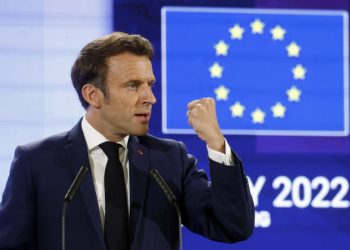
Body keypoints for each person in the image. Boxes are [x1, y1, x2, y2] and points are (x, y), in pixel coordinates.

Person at [0, 32, 254, 250]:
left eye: (150, 85)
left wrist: (216, 143)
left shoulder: (169, 159)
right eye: (133, 86)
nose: (150, 98)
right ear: (93, 95)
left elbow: (232, 226)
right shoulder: (37, 162)